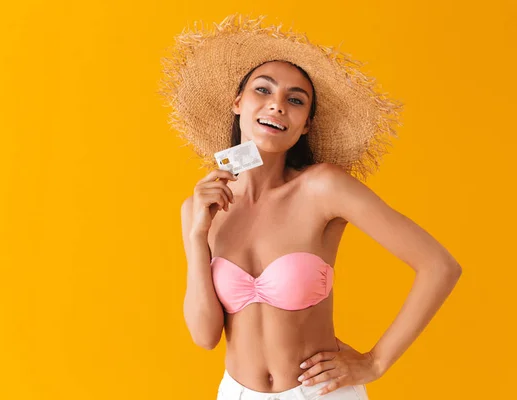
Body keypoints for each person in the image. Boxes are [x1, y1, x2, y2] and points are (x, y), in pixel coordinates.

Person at [159, 13, 462, 400]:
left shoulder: (323, 187)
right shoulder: (200, 209)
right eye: (263, 91)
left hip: (319, 394)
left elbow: (440, 266)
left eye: (295, 100)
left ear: (305, 125)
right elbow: (204, 337)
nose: (277, 106)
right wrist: (197, 233)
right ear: (238, 103)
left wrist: (375, 362)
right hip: (235, 393)